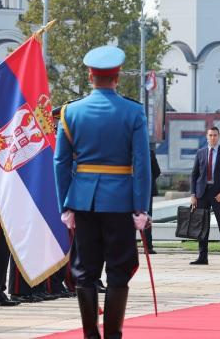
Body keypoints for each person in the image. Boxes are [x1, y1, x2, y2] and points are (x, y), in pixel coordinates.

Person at [54, 45, 151, 339]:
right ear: (117, 77)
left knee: (85, 271)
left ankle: (90, 336)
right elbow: (141, 164)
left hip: (83, 201)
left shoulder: (71, 111)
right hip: (120, 202)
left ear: (90, 76)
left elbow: (61, 163)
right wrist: (141, 208)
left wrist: (65, 206)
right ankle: (112, 335)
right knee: (119, 269)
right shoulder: (133, 112)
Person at [189, 126, 220, 265]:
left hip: (219, 194)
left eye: (215, 135)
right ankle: (202, 257)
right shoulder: (200, 153)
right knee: (202, 226)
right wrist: (193, 194)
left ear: (219, 136)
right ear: (206, 136)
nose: (213, 137)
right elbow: (194, 175)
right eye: (210, 135)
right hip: (201, 193)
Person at [143, 148, 161, 254]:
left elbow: (156, 171)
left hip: (130, 189)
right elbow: (157, 171)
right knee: (147, 218)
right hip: (146, 190)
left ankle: (127, 246)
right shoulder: (149, 151)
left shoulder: (125, 149)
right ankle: (148, 247)